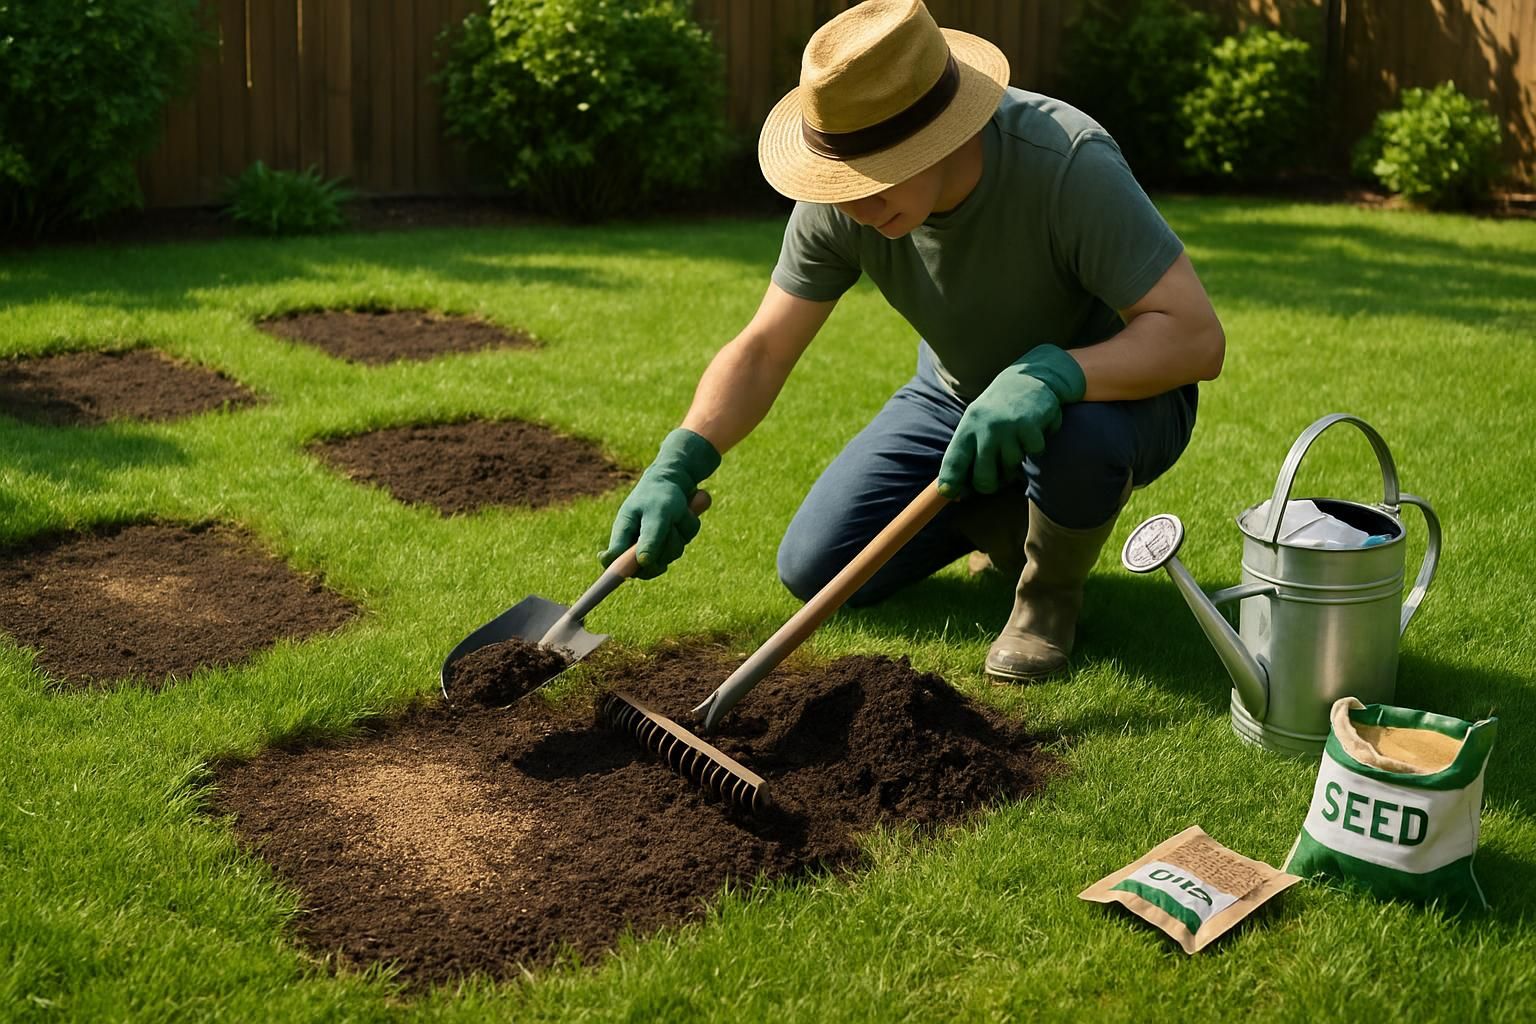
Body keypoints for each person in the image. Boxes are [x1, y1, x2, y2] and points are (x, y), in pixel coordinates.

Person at [600, 0, 1224, 682]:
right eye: (841, 183)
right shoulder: (841, 202)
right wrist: (679, 461)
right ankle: (1004, 517)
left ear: (949, 134)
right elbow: (764, 348)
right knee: (815, 566)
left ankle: (1048, 599)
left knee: (1082, 437)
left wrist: (1054, 374)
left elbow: (1194, 338)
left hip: (1118, 397)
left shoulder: (1066, 164)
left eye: (876, 178)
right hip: (955, 395)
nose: (855, 207)